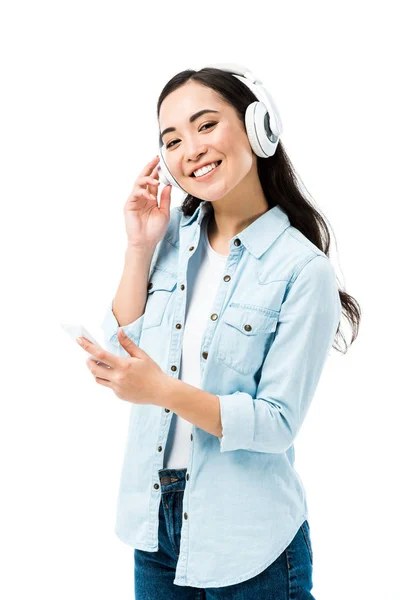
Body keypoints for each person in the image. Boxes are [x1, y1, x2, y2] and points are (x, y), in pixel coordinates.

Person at [100, 65, 361, 599]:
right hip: (155, 525)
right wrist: (138, 248)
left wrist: (161, 392)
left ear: (258, 127)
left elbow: (276, 424)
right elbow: (120, 348)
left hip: (251, 538)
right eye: (171, 139)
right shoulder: (169, 237)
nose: (189, 148)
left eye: (205, 125)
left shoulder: (301, 270)